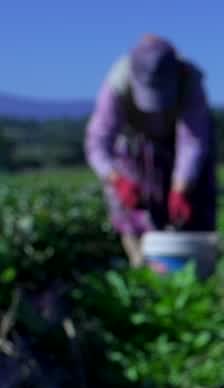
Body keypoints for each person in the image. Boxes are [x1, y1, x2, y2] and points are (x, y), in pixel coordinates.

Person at [85, 35, 216, 267]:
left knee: (194, 204)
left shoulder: (189, 81)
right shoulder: (117, 84)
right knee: (134, 207)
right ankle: (140, 262)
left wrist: (181, 186)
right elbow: (98, 143)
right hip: (136, 150)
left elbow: (192, 141)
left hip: (176, 147)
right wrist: (117, 179)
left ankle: (196, 265)